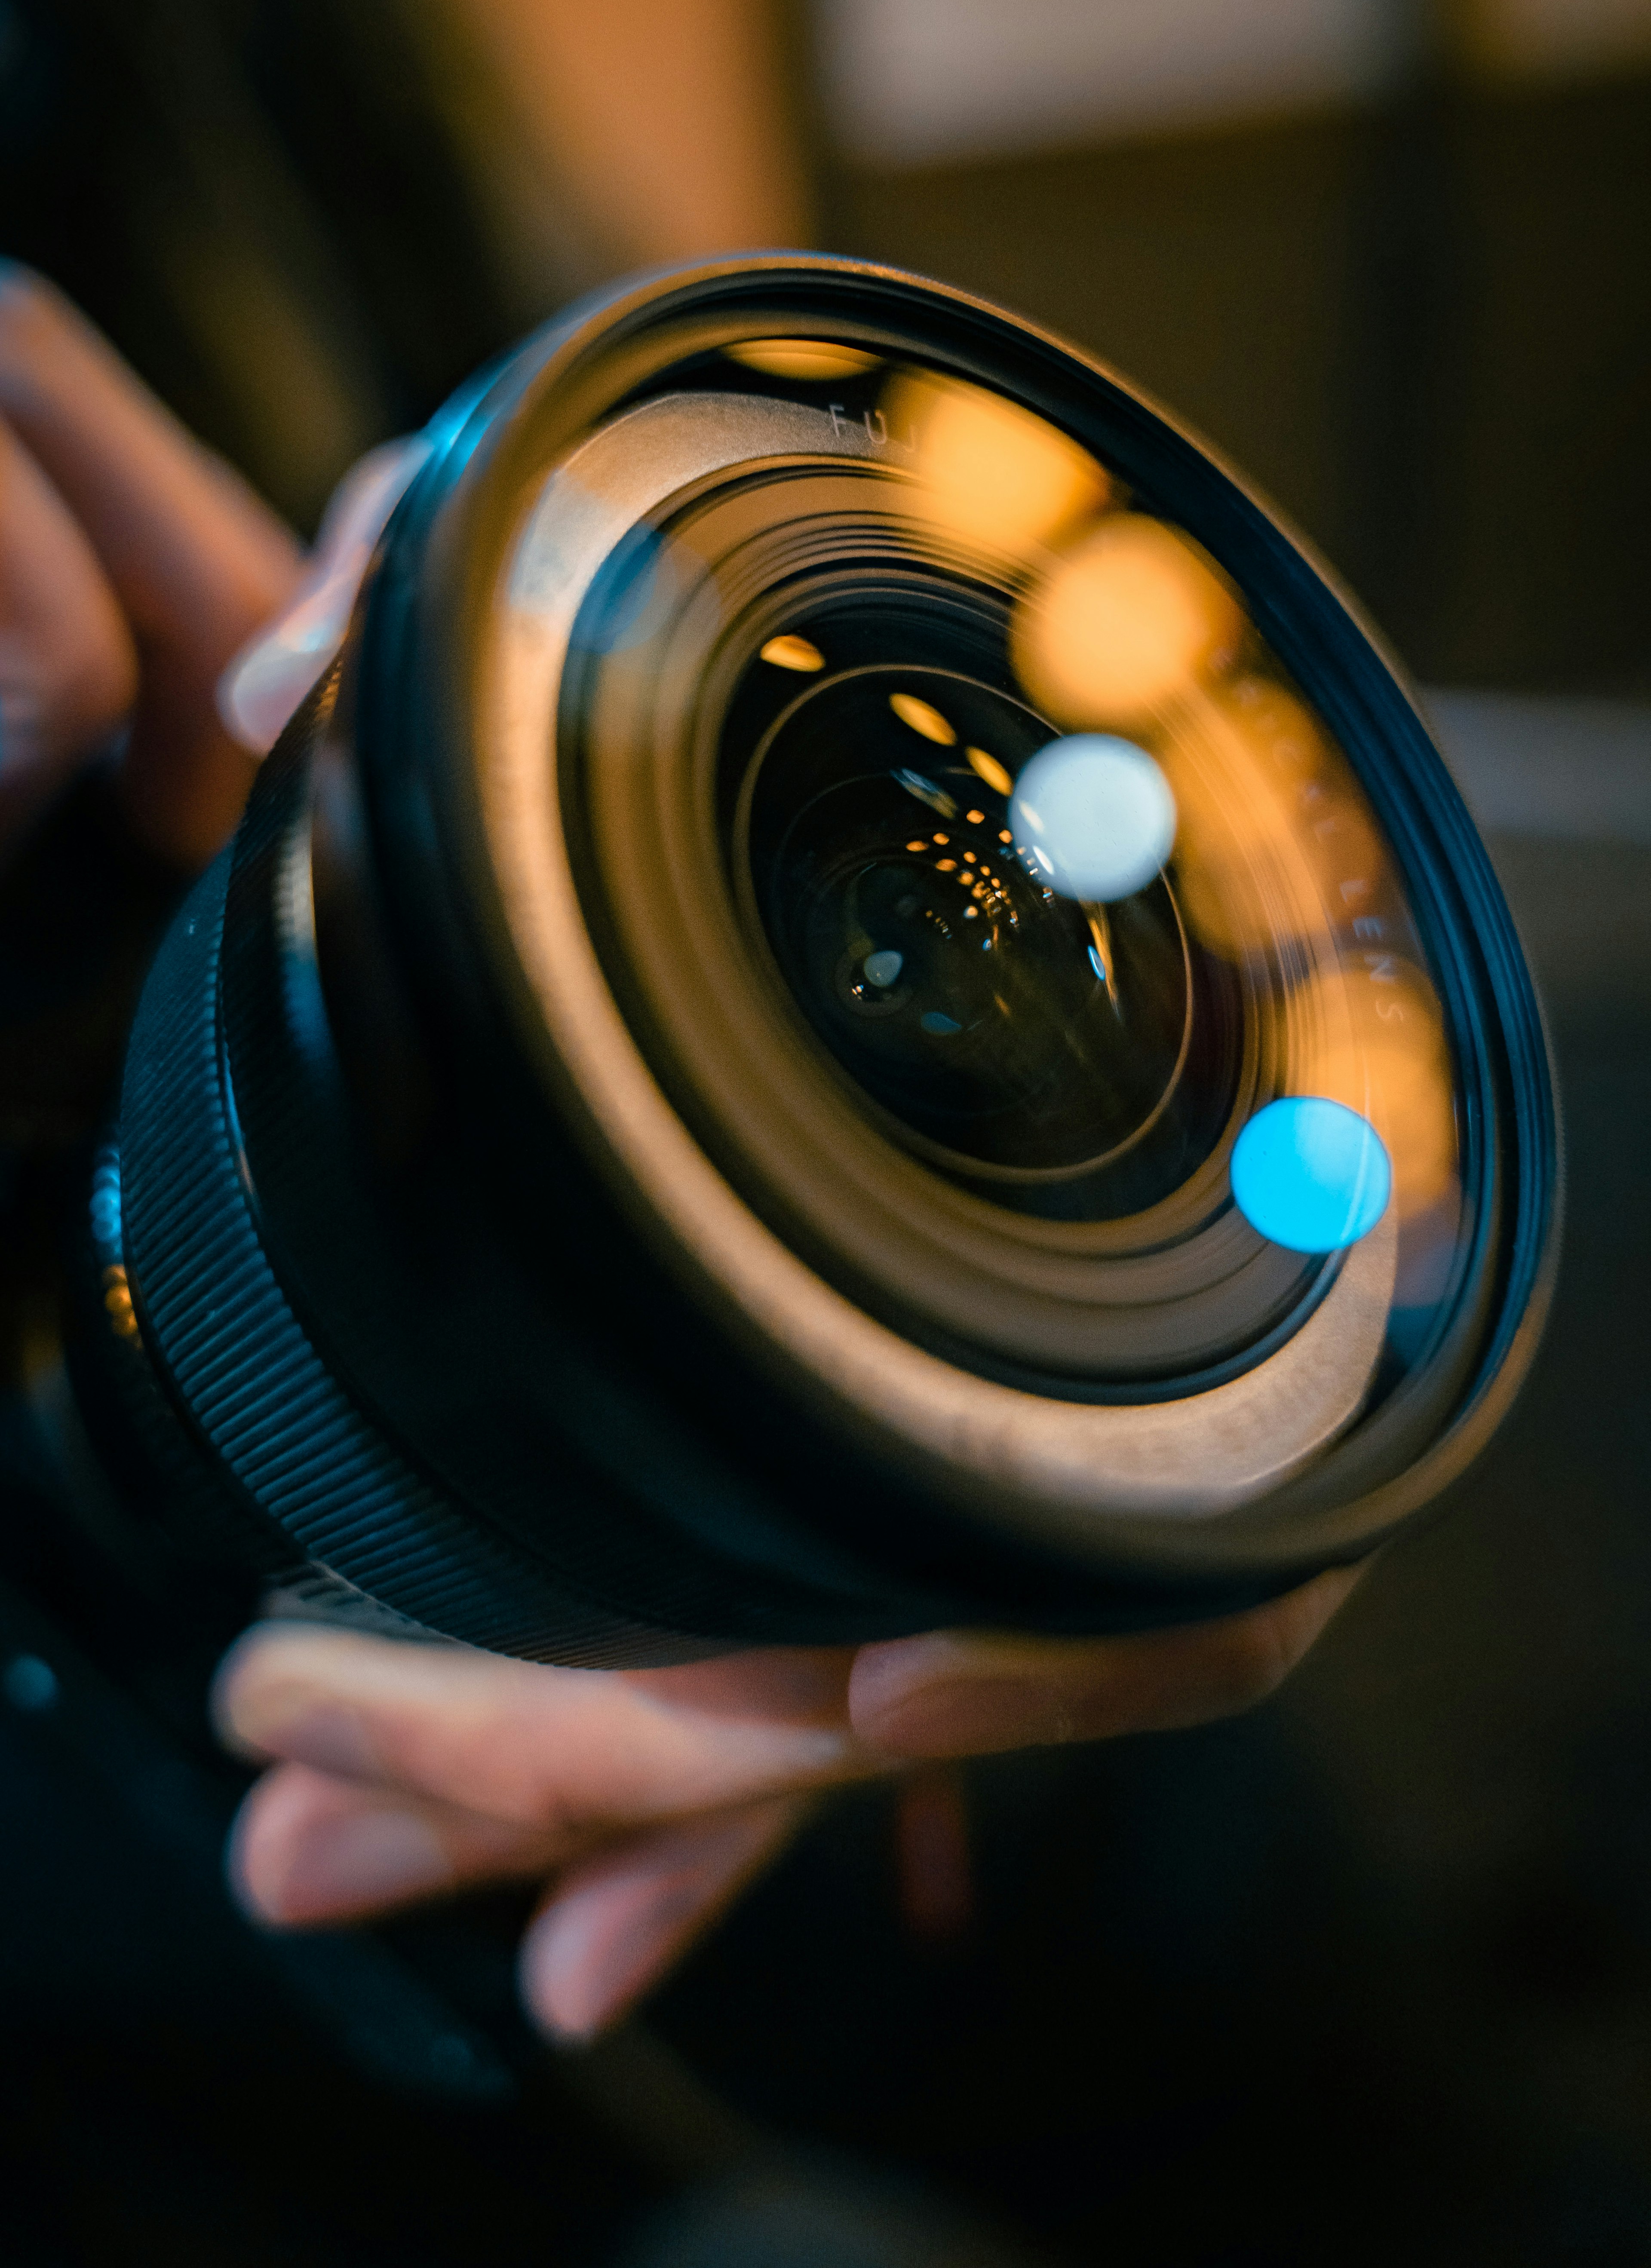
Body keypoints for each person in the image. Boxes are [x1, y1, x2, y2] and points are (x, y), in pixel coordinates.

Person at [0, 261, 1360, 2047]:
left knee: (1233, 1929)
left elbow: (755, 499)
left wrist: (906, 1493)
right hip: (220, 1980)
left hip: (826, 1767)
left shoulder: (179, 20)